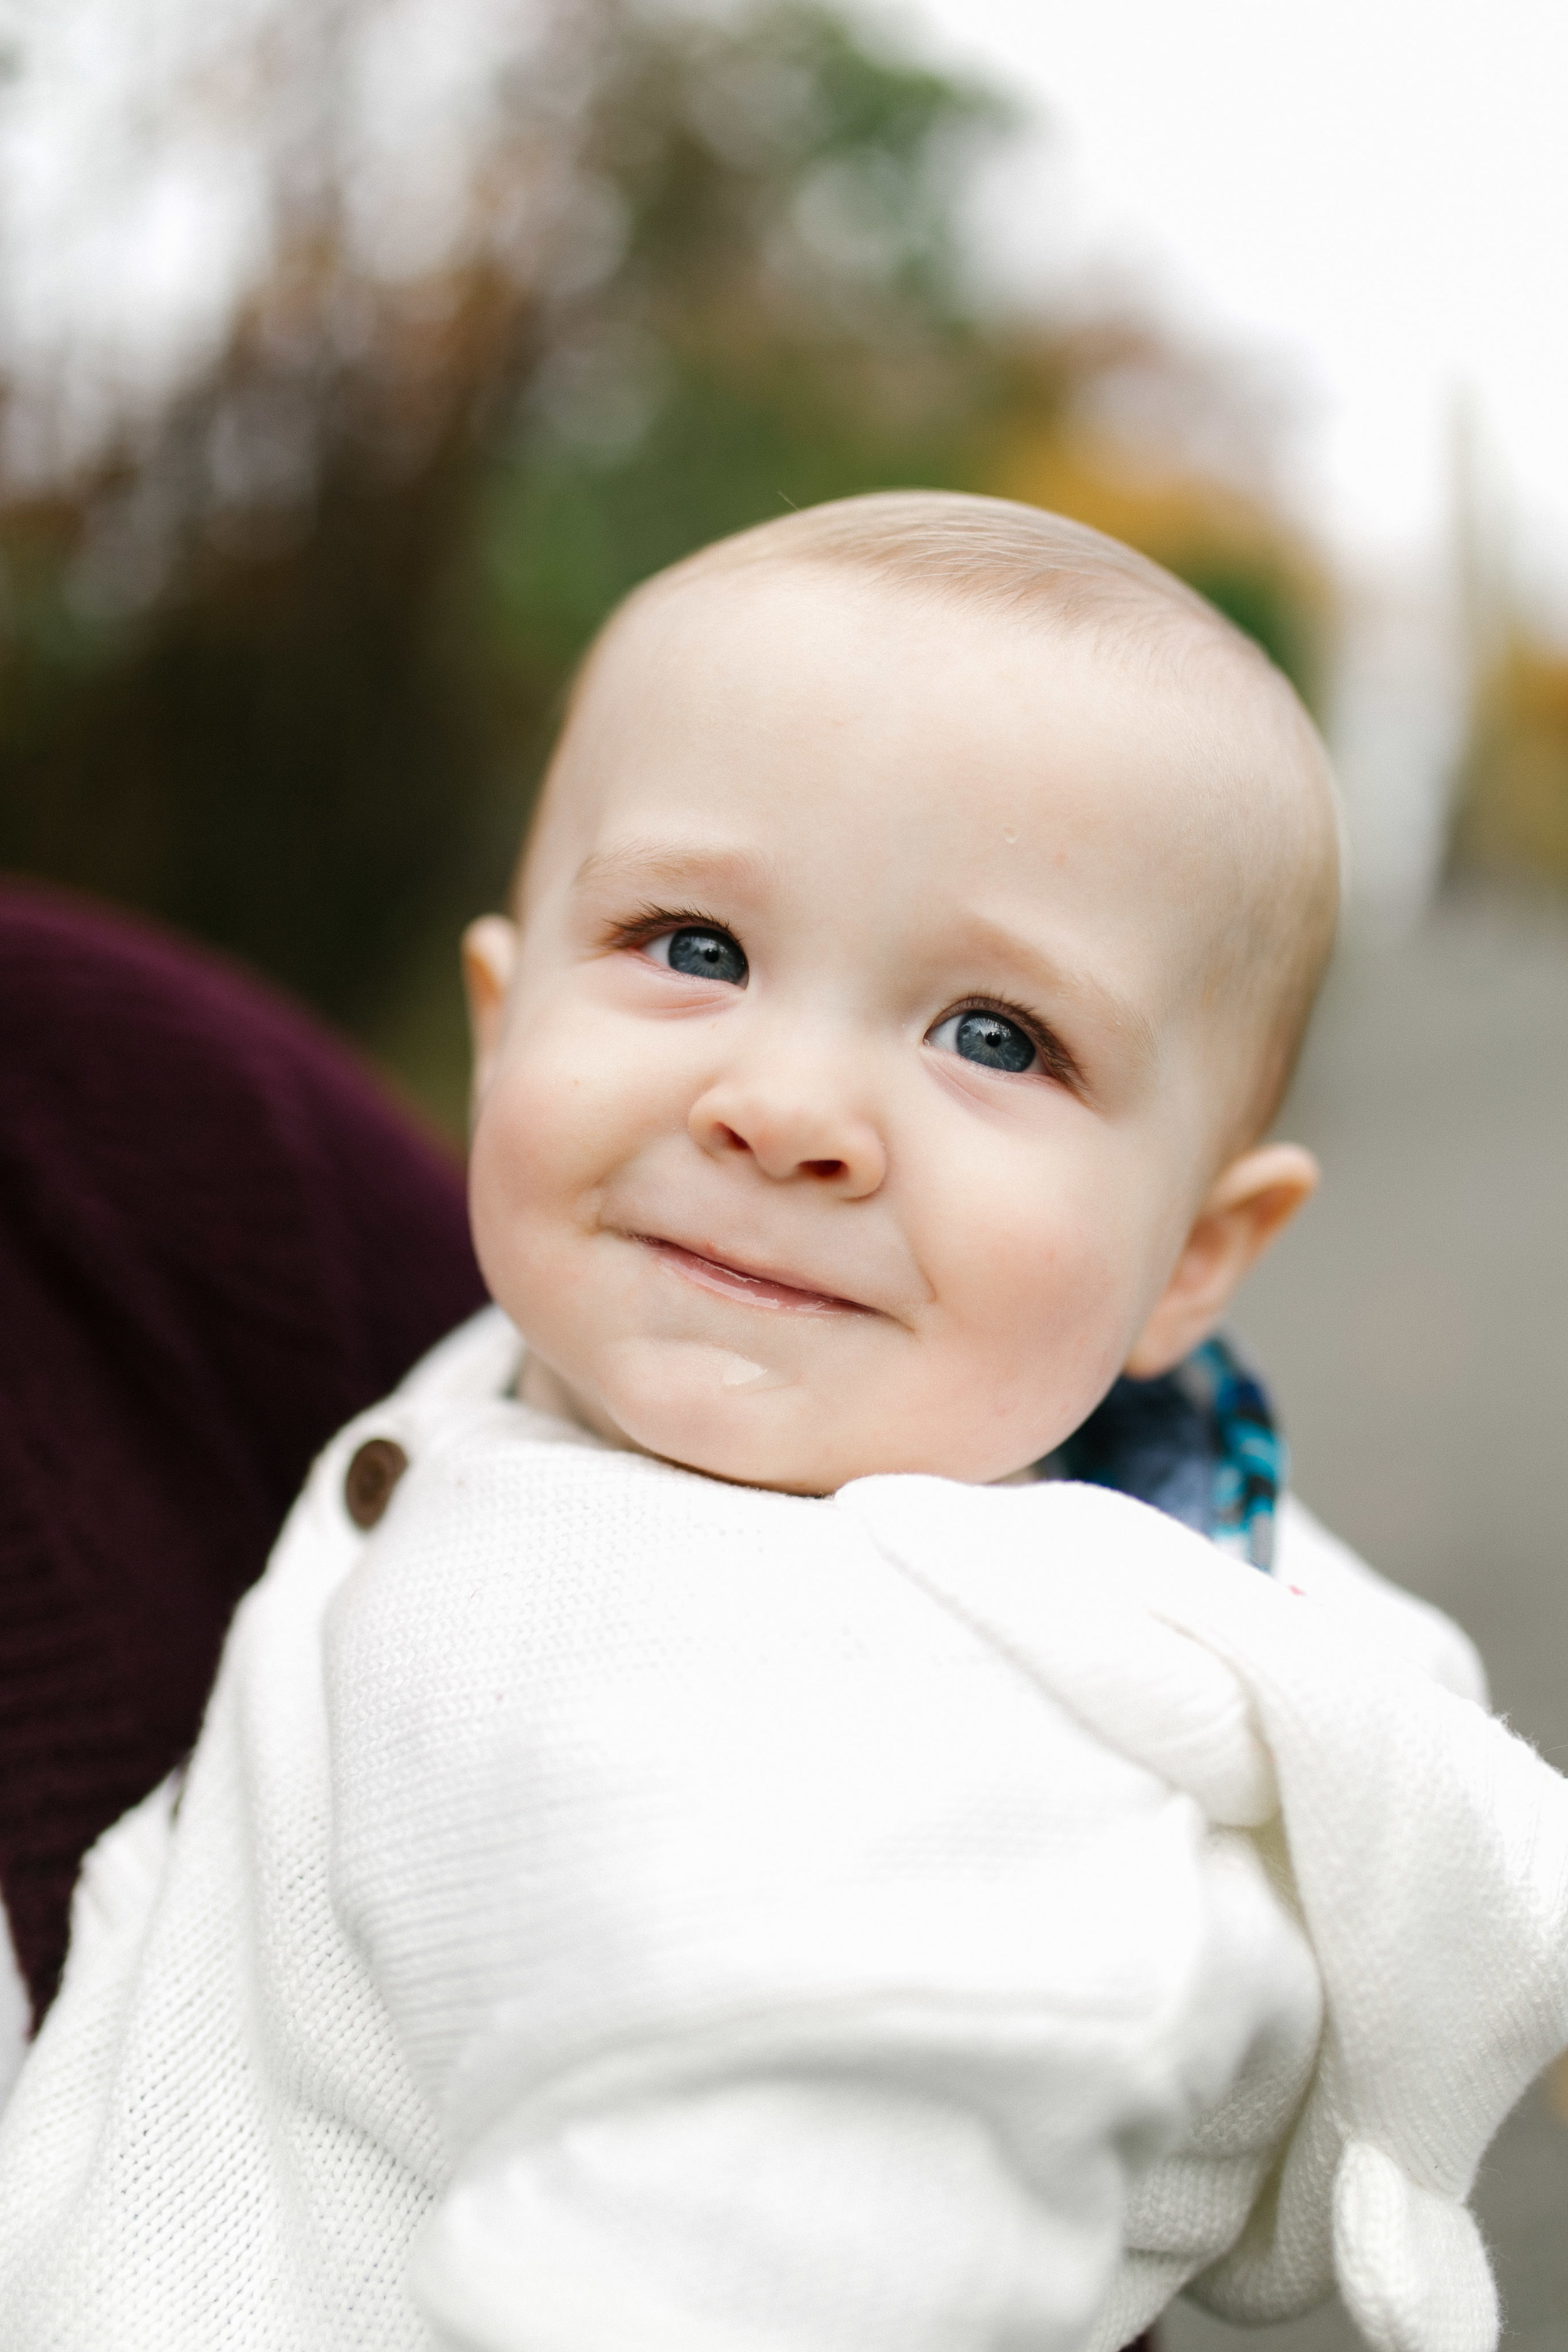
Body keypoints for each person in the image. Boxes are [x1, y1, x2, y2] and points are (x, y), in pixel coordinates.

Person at [2, 494, 1565, 2352]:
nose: (784, 1104)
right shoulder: (1038, 1503)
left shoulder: (903, 1764)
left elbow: (782, 2249)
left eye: (994, 1036)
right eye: (692, 946)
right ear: (498, 1031)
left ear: (1191, 1260)